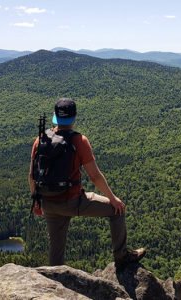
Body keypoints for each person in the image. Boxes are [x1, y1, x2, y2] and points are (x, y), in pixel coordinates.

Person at [29, 97, 145, 268]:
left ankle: (54, 280)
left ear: (55, 117)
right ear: (74, 117)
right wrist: (113, 199)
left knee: (56, 248)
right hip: (73, 201)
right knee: (117, 211)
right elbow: (95, 176)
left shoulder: (40, 140)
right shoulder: (79, 141)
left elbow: (32, 175)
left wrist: (36, 202)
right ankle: (121, 256)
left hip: (48, 203)